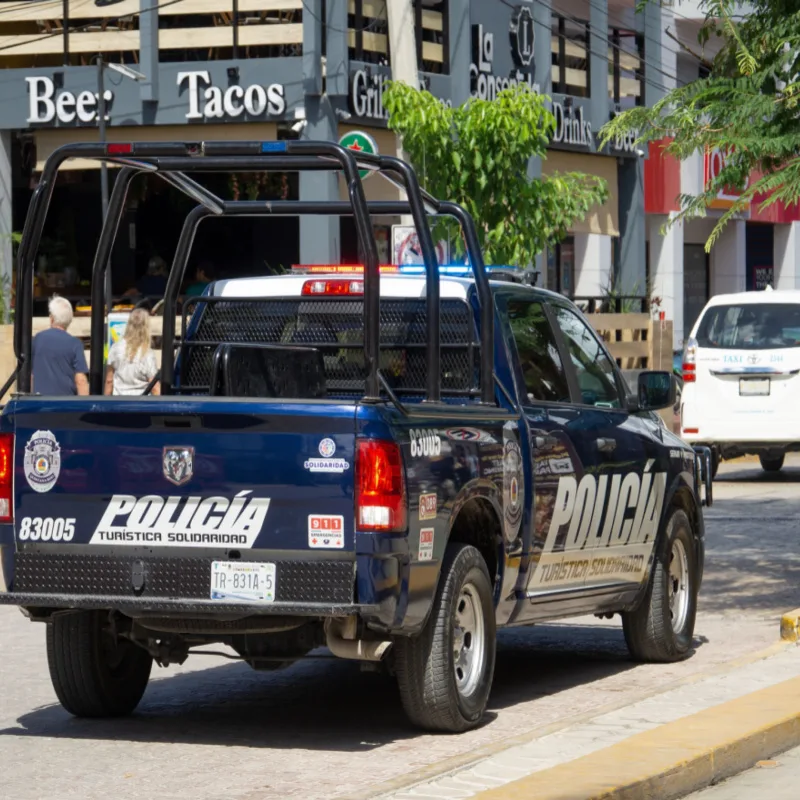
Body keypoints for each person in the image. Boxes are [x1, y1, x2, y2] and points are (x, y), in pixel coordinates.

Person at [31, 296, 89, 396]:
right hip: (65, 405)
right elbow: (81, 380)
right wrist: (86, 407)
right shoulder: (75, 343)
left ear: (52, 318)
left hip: (39, 403)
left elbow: (31, 375)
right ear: (70, 320)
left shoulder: (38, 339)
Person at [104, 308, 160, 396]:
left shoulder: (115, 348)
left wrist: (105, 403)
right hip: (141, 404)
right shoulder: (147, 353)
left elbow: (109, 381)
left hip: (118, 402)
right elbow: (155, 387)